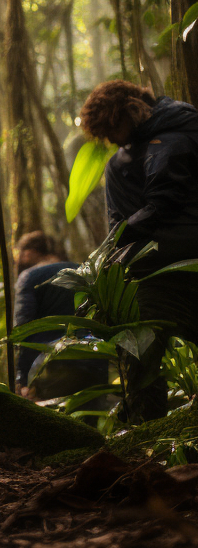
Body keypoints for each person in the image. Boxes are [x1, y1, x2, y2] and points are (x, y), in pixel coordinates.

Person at [80, 80, 198, 420]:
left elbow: (164, 198)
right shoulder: (119, 163)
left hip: (181, 263)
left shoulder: (178, 132)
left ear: (132, 109)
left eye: (112, 126)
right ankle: (148, 445)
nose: (111, 138)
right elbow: (118, 220)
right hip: (152, 272)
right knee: (141, 356)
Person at [12, 231, 106, 399]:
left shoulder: (29, 277)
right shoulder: (83, 271)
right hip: (94, 358)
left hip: (52, 364)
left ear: (28, 253)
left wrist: (22, 376)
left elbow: (24, 328)